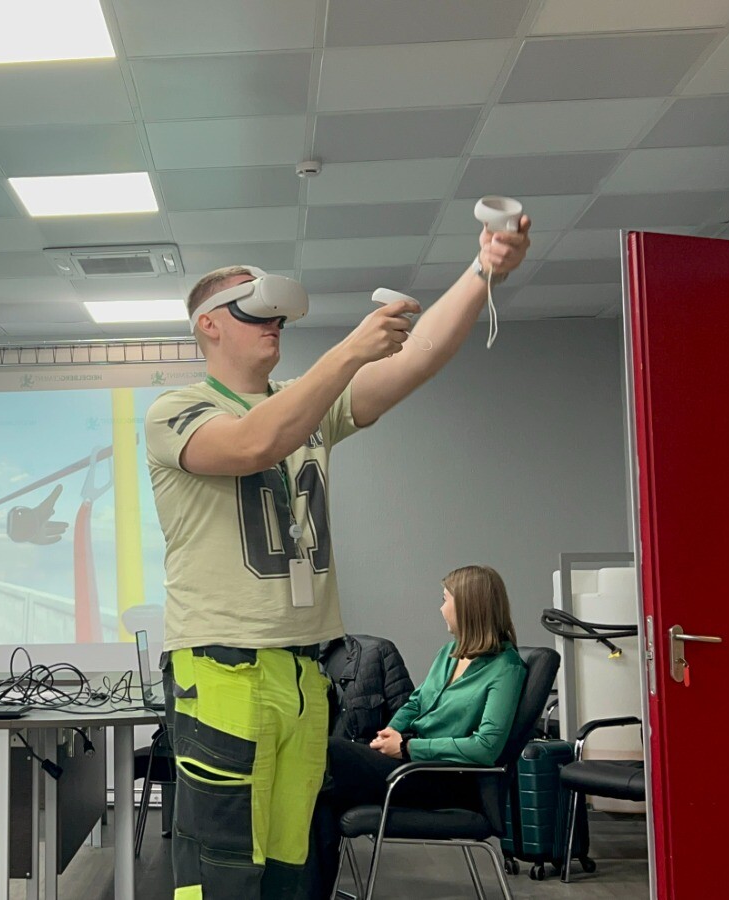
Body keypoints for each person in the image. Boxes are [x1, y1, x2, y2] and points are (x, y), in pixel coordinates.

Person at [144, 221, 531, 899]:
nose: (274, 323)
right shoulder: (177, 410)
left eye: (277, 314)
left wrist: (482, 272)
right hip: (222, 668)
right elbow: (252, 444)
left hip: (303, 671)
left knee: (294, 868)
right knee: (223, 870)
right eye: (253, 311)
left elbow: (418, 359)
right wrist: (350, 351)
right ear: (209, 325)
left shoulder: (310, 407)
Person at [324, 565, 527, 820]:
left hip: (443, 778)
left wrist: (408, 747)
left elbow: (486, 747)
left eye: (445, 600)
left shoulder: (506, 669)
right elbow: (416, 703)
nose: (441, 609)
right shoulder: (449, 653)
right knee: (321, 776)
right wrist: (391, 732)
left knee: (328, 752)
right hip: (413, 766)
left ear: (468, 608)